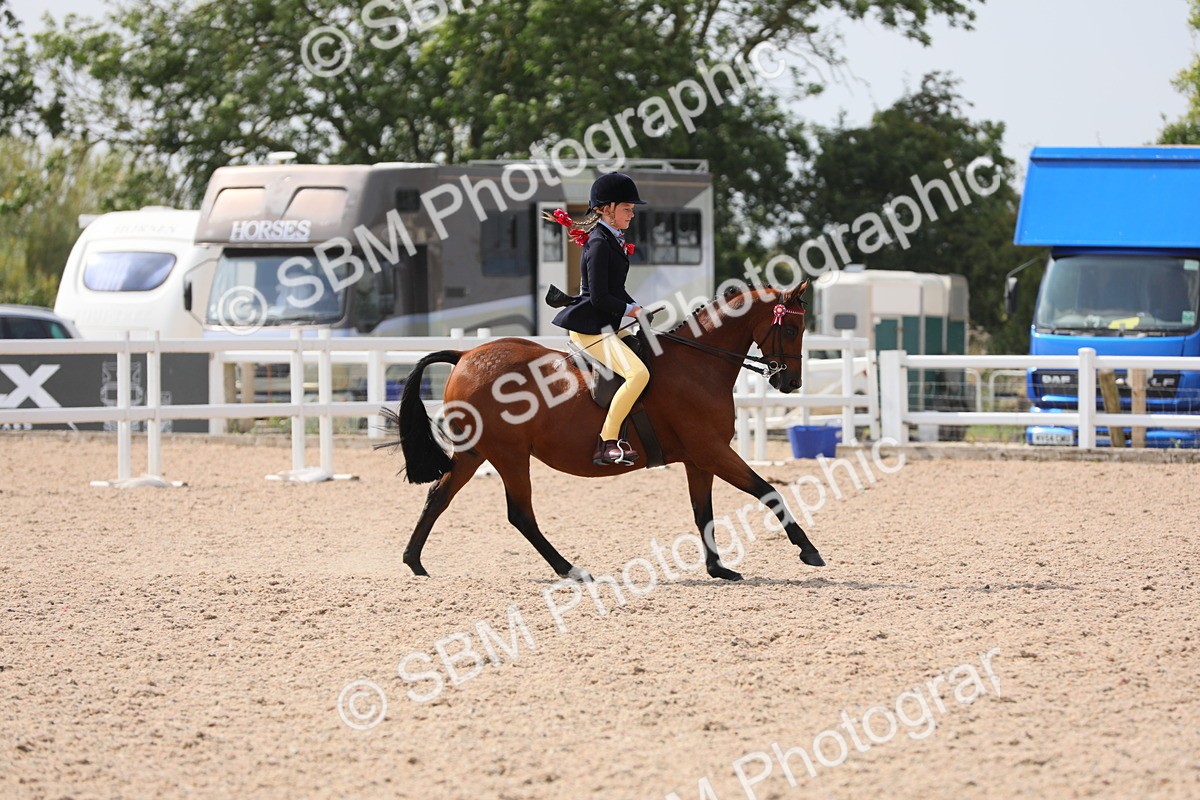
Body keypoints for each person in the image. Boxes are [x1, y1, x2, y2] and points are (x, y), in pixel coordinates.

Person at [551, 172, 650, 466]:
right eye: (627, 208)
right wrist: (632, 311)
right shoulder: (598, 243)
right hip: (590, 329)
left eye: (632, 209)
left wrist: (636, 306)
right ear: (606, 209)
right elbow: (599, 298)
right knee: (638, 374)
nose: (632, 214)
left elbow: (615, 290)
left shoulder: (611, 240)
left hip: (606, 325)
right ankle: (607, 442)